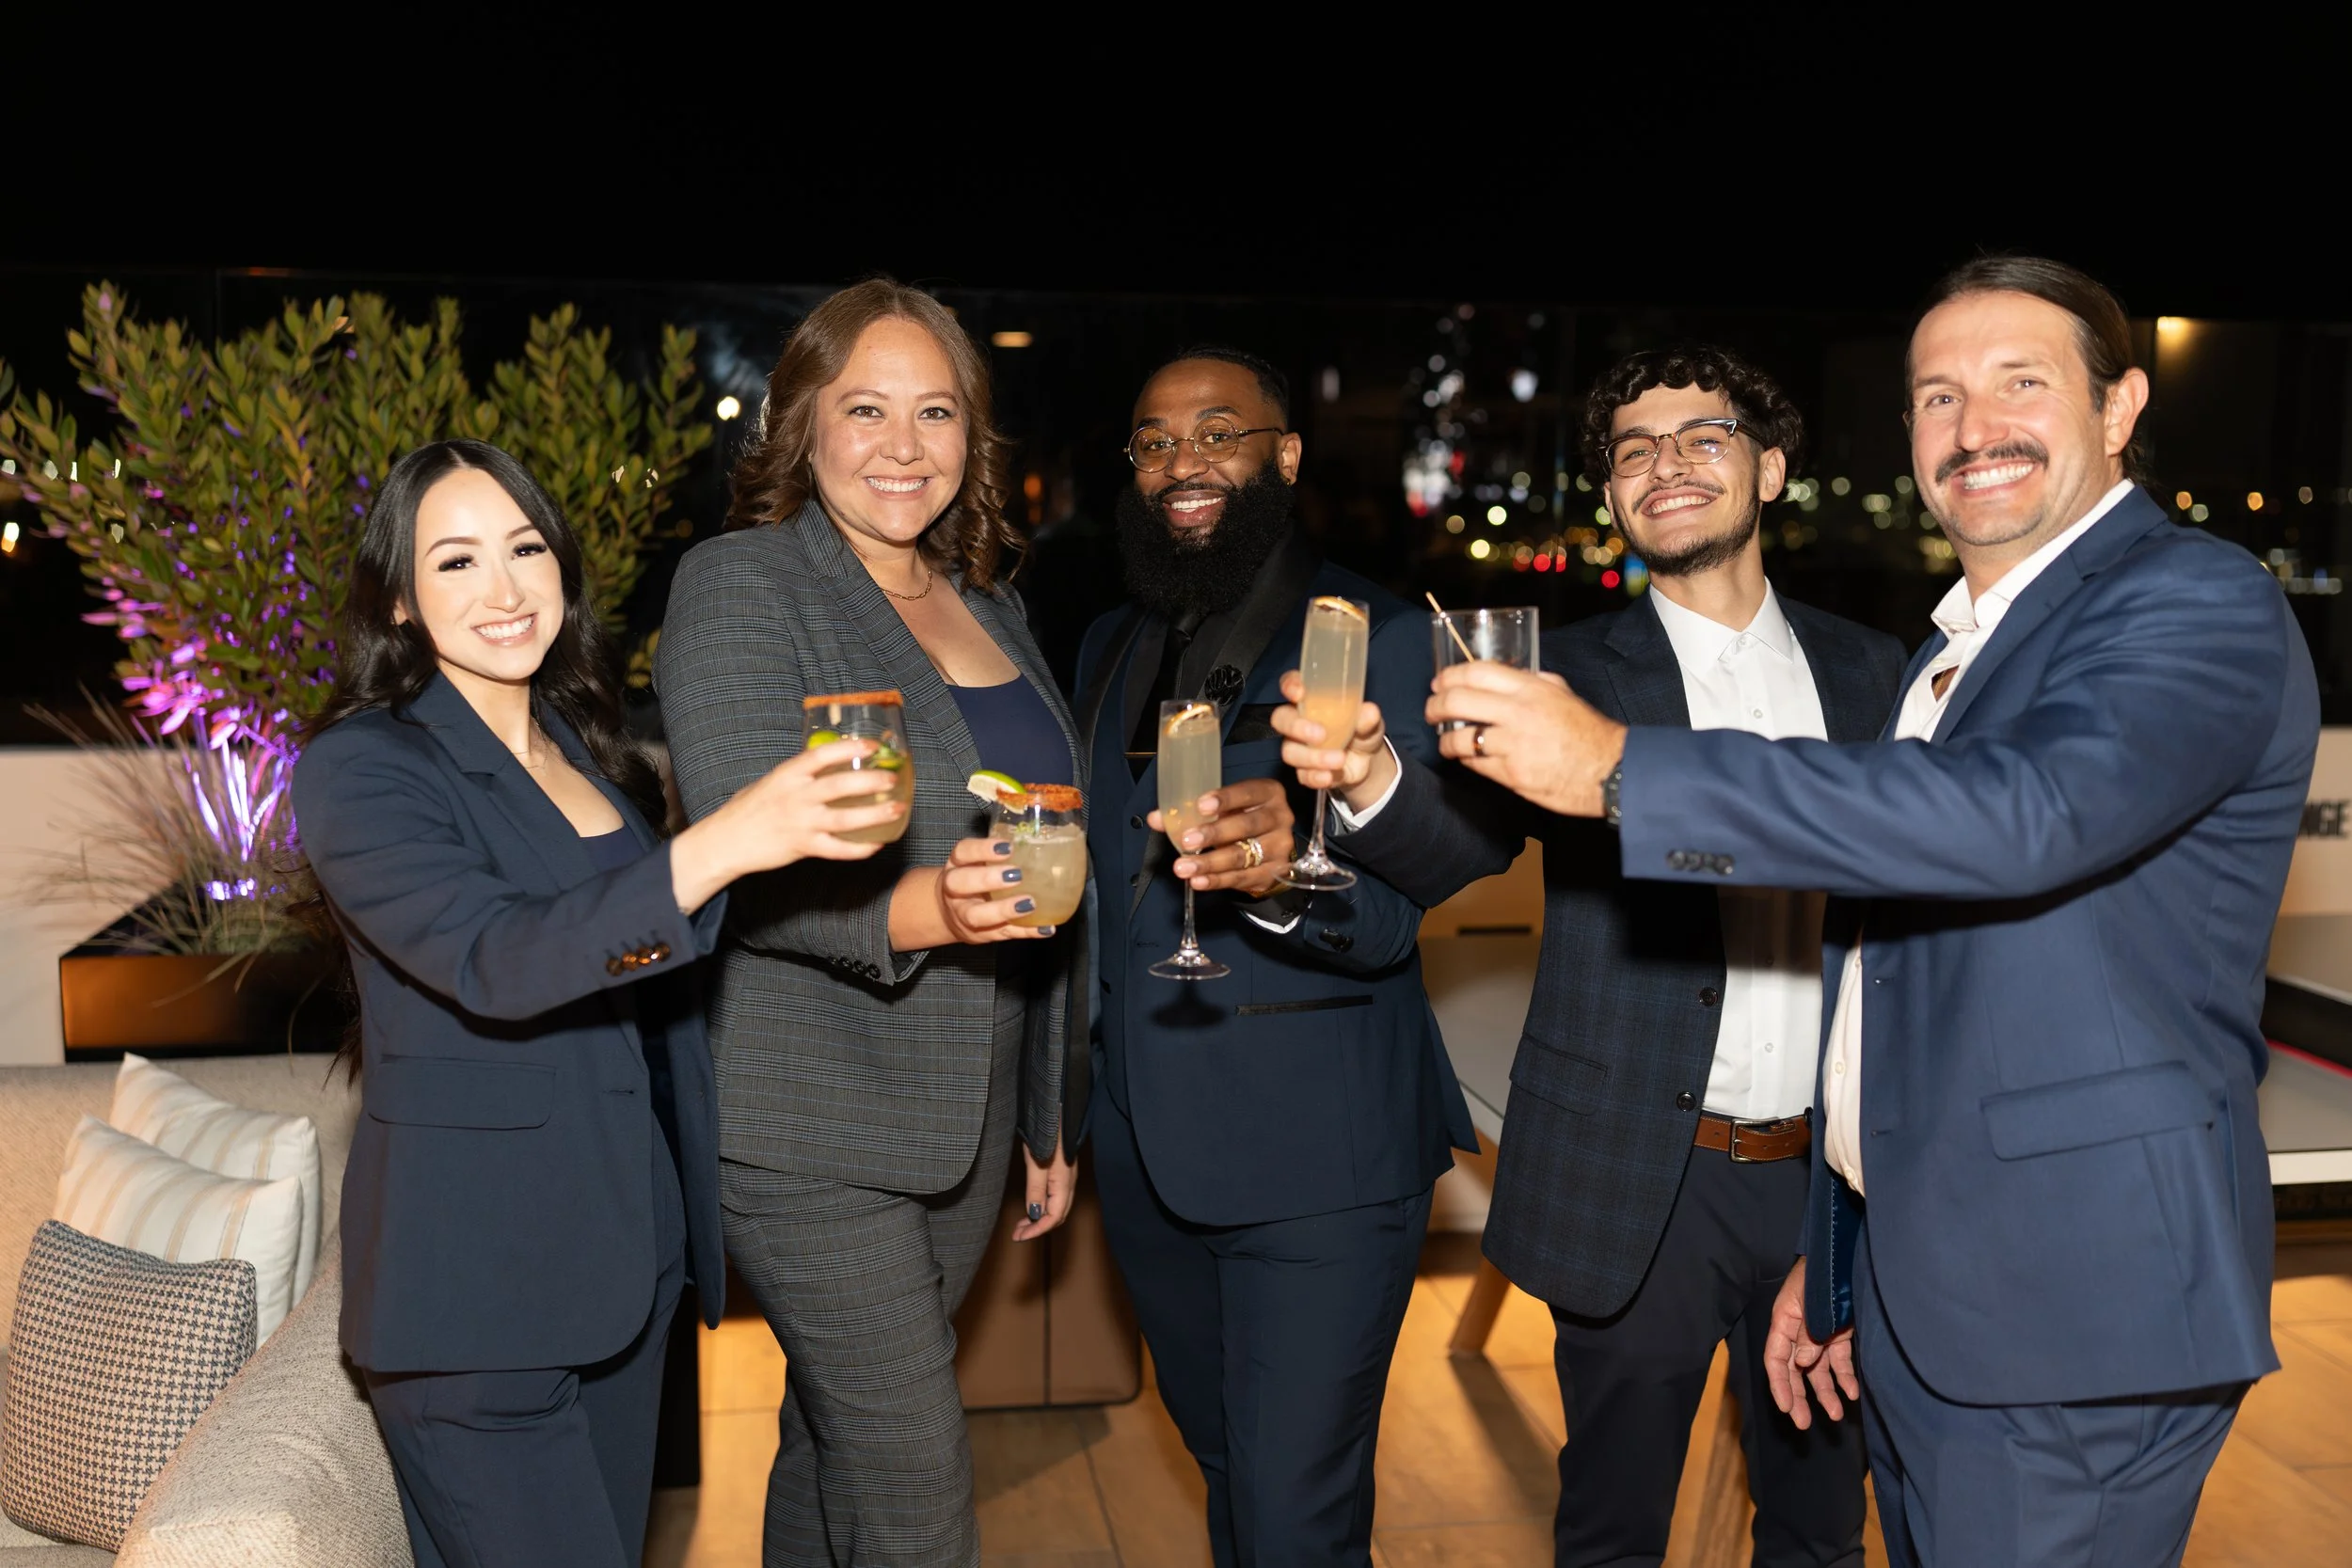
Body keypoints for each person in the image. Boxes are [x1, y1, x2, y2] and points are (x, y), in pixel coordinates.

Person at [1416, 257, 2321, 1567]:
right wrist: (1841, 1263)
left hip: (2071, 1311)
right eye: (1938, 394)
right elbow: (1896, 995)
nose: (1975, 424)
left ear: (2121, 406)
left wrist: (1620, 771)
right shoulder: (1961, 652)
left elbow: (2023, 817)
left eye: (2023, 382)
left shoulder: (2191, 598)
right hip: (1925, 1291)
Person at [1295, 345, 1900, 1565]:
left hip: (1832, 1174)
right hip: (1641, 1172)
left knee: (1824, 1520)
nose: (1664, 463)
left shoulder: (1871, 670)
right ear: (1613, 495)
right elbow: (1454, 843)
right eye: (1634, 449)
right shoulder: (1564, 672)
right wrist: (1367, 777)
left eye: (1702, 436)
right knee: (1613, 1525)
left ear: (1772, 468)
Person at [294, 438, 900, 1568]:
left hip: (619, 1276)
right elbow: (496, 958)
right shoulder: (362, 767)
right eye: (458, 560)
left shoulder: (578, 746)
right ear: (399, 600)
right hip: (473, 1304)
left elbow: (640, 961)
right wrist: (724, 840)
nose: (505, 586)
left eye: (525, 546)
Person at [658, 280, 1112, 1566]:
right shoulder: (743, 583)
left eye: (936, 411)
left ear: (974, 436)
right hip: (808, 1119)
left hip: (967, 1118)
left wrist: (1043, 1112)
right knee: (917, 1476)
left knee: (834, 1434)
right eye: (866, 408)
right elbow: (749, 844)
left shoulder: (996, 606)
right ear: (803, 422)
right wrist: (931, 902)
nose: (903, 445)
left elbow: (1049, 855)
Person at [1075, 345, 1478, 1567]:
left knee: (1299, 1513)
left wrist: (1288, 869)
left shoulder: (1386, 635)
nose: (1181, 461)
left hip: (1323, 1163)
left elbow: (1404, 902)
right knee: (1226, 1470)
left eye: (1217, 431)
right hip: (1142, 1149)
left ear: (1286, 455)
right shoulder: (1106, 645)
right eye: (1153, 441)